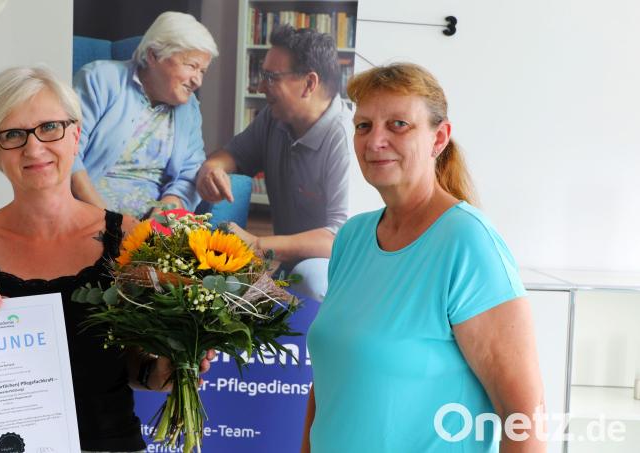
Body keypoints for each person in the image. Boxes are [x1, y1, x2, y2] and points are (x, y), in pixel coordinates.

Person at [0, 66, 213, 453]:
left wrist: (170, 367)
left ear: (76, 136)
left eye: (50, 127)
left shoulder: (127, 236)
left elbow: (134, 367)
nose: (34, 147)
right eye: (13, 135)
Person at [301, 63, 546, 452]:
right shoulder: (352, 237)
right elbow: (334, 379)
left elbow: (524, 418)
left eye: (398, 124)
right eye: (363, 126)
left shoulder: (467, 241)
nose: (374, 140)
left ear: (439, 138)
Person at [195, 25, 352, 301]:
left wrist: (258, 245)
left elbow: (339, 238)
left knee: (312, 278)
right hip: (288, 260)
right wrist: (213, 169)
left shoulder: (345, 138)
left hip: (341, 266)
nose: (259, 86)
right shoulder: (274, 118)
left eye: (270, 77)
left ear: (309, 83)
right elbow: (234, 154)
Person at [71, 11, 218, 222]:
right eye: (191, 66)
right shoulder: (100, 80)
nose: (198, 81)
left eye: (202, 71)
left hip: (152, 227)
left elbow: (189, 174)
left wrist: (158, 224)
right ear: (153, 55)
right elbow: (68, 154)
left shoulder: (190, 107)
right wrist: (110, 223)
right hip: (89, 217)